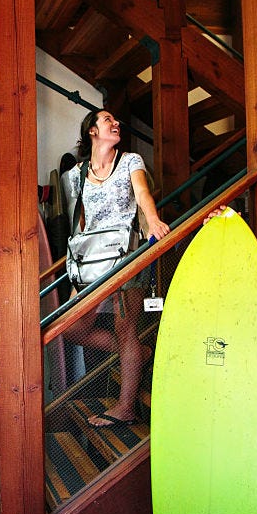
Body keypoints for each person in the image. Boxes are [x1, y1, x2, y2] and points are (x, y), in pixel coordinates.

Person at [64, 109, 170, 428]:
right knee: (72, 327)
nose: (115, 123)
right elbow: (80, 220)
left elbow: (141, 194)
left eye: (116, 119)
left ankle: (125, 407)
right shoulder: (76, 173)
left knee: (126, 330)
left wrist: (152, 222)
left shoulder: (131, 161)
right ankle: (139, 352)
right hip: (91, 259)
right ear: (92, 131)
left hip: (126, 255)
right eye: (108, 119)